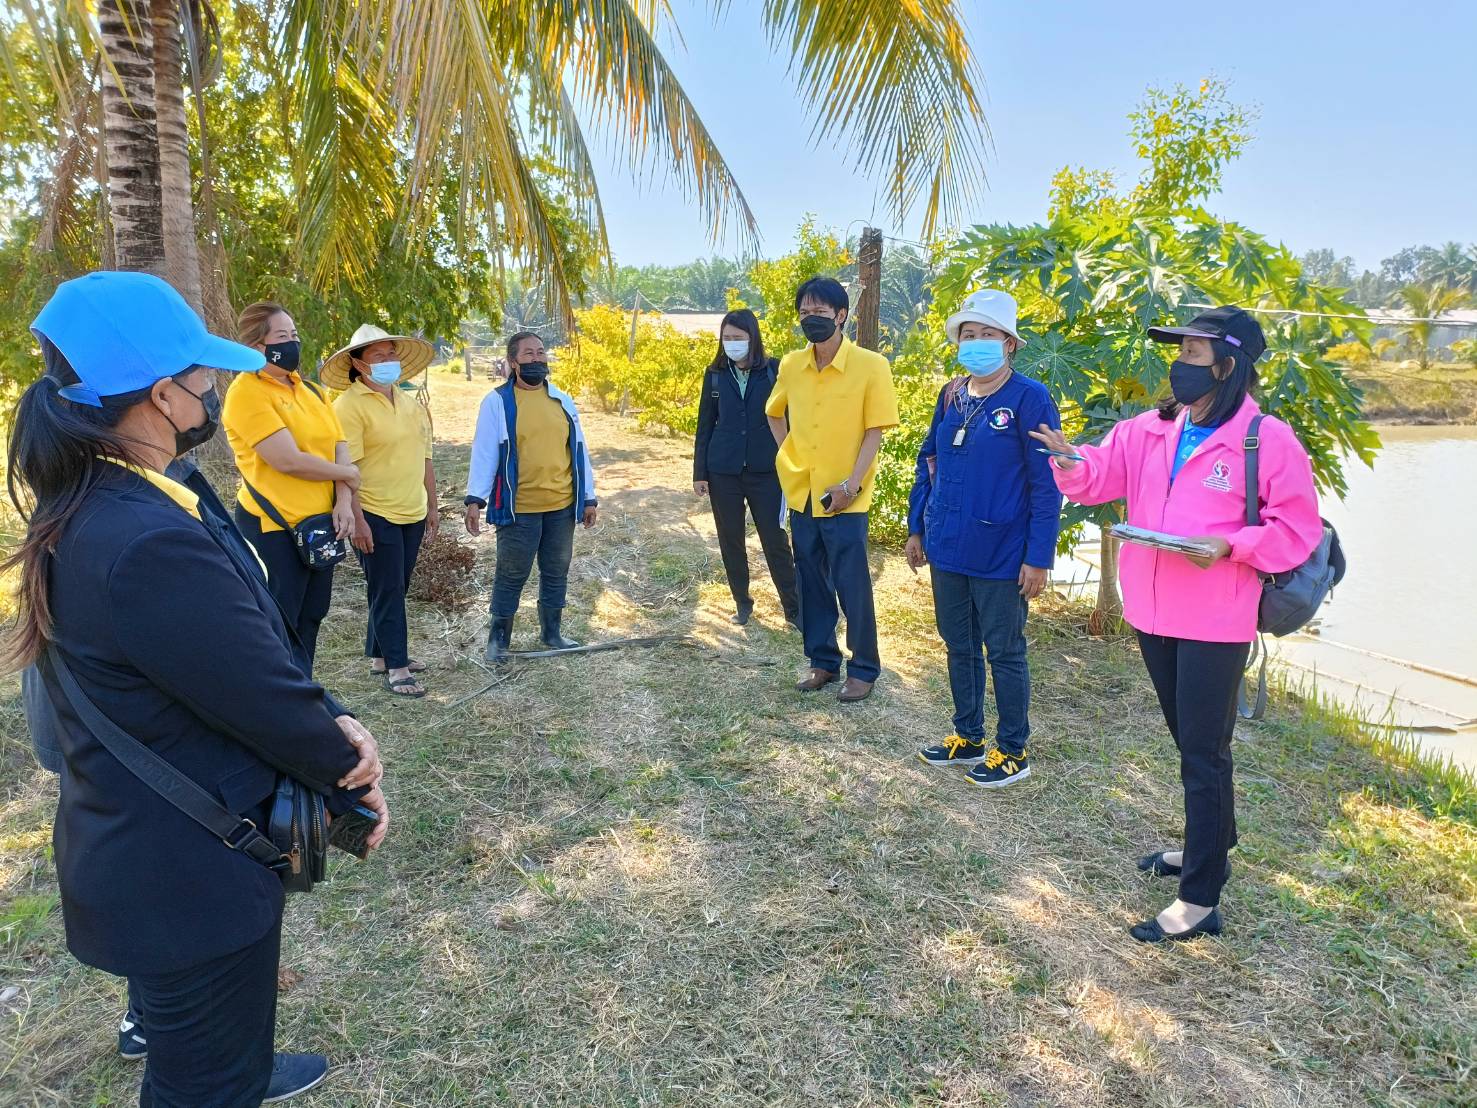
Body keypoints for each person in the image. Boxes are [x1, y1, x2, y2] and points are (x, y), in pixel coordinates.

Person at [7, 271, 389, 1105]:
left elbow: (235, 648)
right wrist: (349, 762)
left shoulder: (118, 496)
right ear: (161, 396)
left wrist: (335, 709)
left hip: (153, 853)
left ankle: (242, 1067)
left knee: (214, 1046)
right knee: (200, 1083)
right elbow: (251, 690)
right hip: (184, 873)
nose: (216, 388)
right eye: (202, 376)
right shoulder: (140, 539)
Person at [1031, 306, 1322, 943]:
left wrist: (1230, 547)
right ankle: (1209, 842)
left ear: (1228, 364)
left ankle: (1200, 898)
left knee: (1204, 752)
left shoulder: (1265, 438)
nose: (1179, 365)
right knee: (1188, 740)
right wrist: (1069, 459)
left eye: (1193, 354)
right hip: (1152, 609)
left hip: (1217, 616)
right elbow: (1097, 480)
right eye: (1180, 352)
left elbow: (1296, 530)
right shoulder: (1149, 428)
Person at [907, 289, 1062, 788]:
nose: (976, 343)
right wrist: (917, 526)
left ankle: (1013, 749)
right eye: (968, 335)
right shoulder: (951, 394)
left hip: (1001, 553)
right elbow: (928, 460)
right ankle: (967, 735)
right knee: (958, 645)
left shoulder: (1029, 397)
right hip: (948, 545)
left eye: (987, 335)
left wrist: (1038, 557)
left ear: (1010, 344)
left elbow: (1046, 483)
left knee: (1005, 650)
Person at [765, 276, 899, 702]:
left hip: (845, 497)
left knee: (852, 583)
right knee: (811, 581)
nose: (811, 319)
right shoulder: (791, 365)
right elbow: (774, 414)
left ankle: (863, 669)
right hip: (803, 494)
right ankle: (822, 661)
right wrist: (790, 456)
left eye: (820, 313)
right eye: (805, 313)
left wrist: (851, 485)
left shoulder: (871, 366)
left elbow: (875, 431)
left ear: (842, 316)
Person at [223, 301, 359, 666]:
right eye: (282, 337)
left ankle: (306, 695)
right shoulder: (246, 392)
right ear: (257, 347)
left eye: (294, 335)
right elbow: (287, 460)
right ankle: (279, 708)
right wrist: (348, 476)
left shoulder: (312, 392)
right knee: (279, 622)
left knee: (313, 615)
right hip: (274, 526)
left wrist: (344, 501)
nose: (293, 343)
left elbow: (339, 447)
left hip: (321, 524)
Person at [464, 331, 598, 662]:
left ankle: (552, 633)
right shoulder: (497, 402)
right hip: (519, 508)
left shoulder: (562, 400)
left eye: (541, 353)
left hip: (562, 506)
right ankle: (498, 641)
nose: (537, 359)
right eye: (528, 354)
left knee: (556, 570)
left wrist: (589, 498)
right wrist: (474, 499)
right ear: (512, 362)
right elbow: (485, 453)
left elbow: (579, 451)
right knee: (511, 574)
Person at [322, 324, 438, 698]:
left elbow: (426, 458)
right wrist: (355, 518)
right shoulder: (348, 407)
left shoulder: (410, 402)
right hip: (374, 511)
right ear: (357, 363)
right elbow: (346, 467)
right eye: (378, 356)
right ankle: (399, 668)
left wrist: (433, 506)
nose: (388, 361)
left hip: (412, 509)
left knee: (395, 585)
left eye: (392, 354)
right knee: (387, 587)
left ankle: (379, 655)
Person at [692, 308, 800, 627]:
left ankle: (794, 609)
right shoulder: (714, 373)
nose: (732, 343)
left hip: (766, 470)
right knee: (731, 539)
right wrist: (700, 473)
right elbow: (705, 424)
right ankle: (742, 601)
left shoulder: (773, 371)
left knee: (775, 539)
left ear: (752, 339)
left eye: (738, 338)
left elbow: (790, 417)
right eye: (727, 338)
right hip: (722, 470)